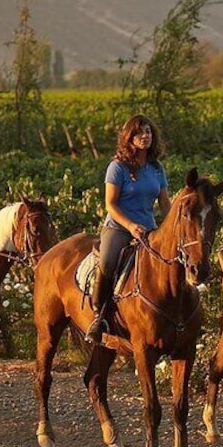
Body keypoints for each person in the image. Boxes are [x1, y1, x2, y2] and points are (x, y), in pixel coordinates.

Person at [85, 114, 171, 344]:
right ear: (129, 137)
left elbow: (164, 203)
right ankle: (98, 315)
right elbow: (110, 204)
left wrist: (172, 229)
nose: (145, 136)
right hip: (120, 228)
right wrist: (131, 226)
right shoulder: (118, 167)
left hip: (149, 229)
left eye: (148, 132)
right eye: (139, 133)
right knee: (108, 261)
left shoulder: (156, 168)